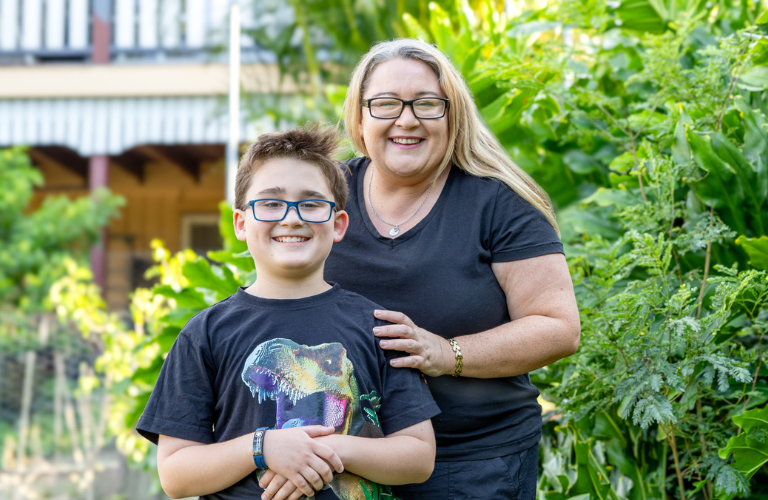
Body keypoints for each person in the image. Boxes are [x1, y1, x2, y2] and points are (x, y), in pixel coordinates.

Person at [264, 38, 581, 500]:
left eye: (427, 104)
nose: (406, 119)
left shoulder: (499, 204)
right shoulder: (323, 194)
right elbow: (274, 286)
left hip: (471, 464)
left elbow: (558, 328)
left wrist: (445, 352)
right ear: (358, 117)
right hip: (341, 461)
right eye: (386, 104)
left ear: (452, 117)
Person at [135, 124, 440, 500]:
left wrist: (317, 452)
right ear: (241, 224)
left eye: (312, 203)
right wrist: (264, 448)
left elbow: (419, 456)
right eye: (271, 203)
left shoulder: (378, 326)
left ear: (338, 224)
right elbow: (176, 473)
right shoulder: (205, 333)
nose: (292, 218)